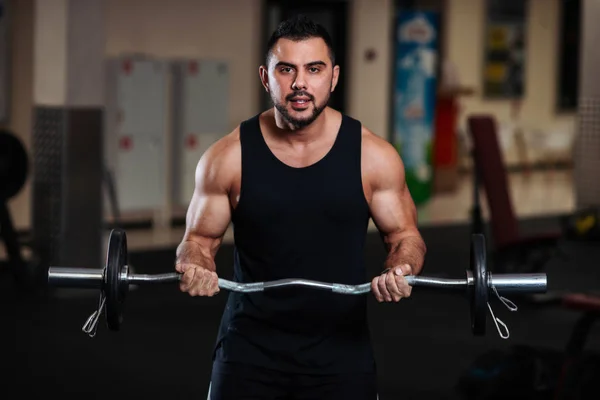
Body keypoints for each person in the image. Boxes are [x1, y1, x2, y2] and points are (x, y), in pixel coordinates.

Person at [174, 14, 427, 400]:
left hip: (342, 353)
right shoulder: (227, 158)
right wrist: (197, 265)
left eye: (314, 69)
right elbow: (199, 240)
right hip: (249, 350)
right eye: (286, 69)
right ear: (266, 77)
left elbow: (406, 236)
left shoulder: (373, 157)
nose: (300, 84)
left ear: (334, 77)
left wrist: (400, 268)